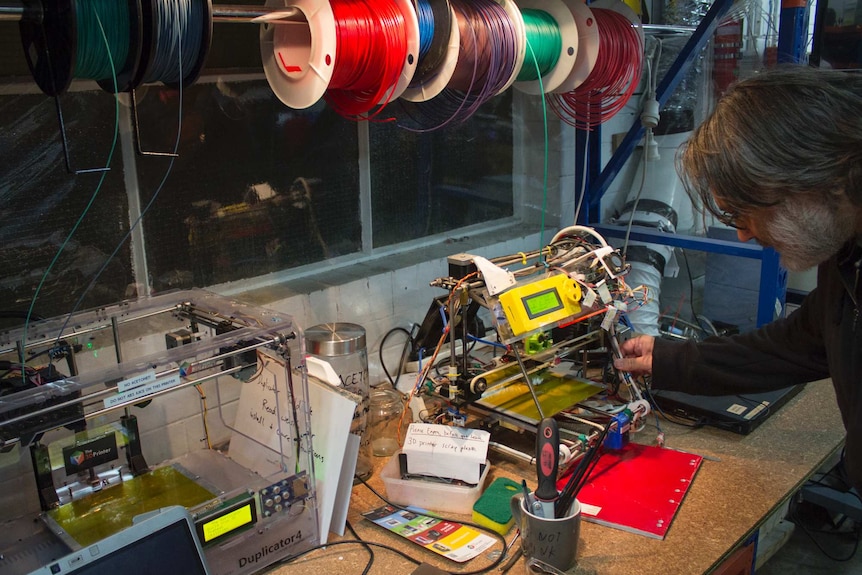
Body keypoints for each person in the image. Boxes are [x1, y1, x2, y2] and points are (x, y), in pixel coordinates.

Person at [612, 65, 862, 493]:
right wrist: (668, 359)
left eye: (746, 212)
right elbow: (796, 345)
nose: (744, 233)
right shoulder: (846, 257)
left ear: (821, 180)